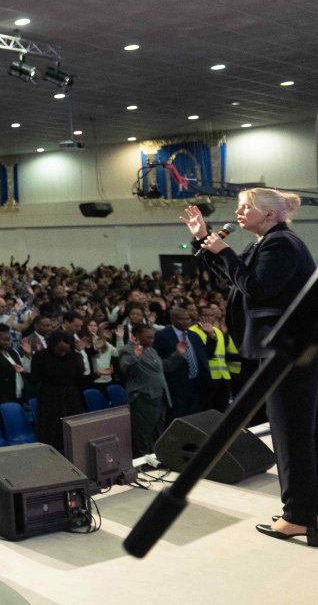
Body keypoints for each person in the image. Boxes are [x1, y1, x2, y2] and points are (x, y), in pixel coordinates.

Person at [186, 193, 318, 545]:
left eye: (246, 207)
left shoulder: (281, 244)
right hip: (287, 351)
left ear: (270, 213)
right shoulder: (267, 242)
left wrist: (224, 251)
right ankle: (308, 510)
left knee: (291, 436)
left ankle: (298, 517)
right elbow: (236, 276)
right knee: (298, 433)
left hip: (286, 353)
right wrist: (203, 239)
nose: (238, 211)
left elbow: (256, 288)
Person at [119, 325, 184, 456]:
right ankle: (142, 463)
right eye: (148, 337)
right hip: (143, 399)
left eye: (153, 337)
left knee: (158, 433)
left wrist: (178, 354)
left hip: (159, 397)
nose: (152, 340)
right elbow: (124, 369)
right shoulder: (127, 350)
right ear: (137, 336)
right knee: (142, 435)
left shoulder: (151, 350)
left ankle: (156, 459)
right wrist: (135, 357)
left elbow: (165, 367)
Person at [29, 330, 86, 447]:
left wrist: (97, 374)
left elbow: (81, 379)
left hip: (70, 398)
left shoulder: (74, 357)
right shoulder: (40, 357)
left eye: (66, 350)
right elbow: (34, 379)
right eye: (60, 350)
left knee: (71, 433)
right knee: (51, 431)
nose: (63, 353)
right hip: (49, 398)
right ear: (52, 344)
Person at [153, 307, 208, 418]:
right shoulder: (161, 335)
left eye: (188, 318)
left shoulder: (194, 335)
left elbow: (204, 355)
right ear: (173, 320)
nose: (186, 321)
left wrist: (211, 339)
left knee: (194, 416)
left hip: (195, 382)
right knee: (177, 416)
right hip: (175, 384)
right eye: (182, 319)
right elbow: (157, 359)